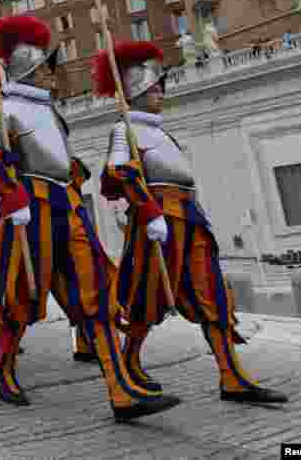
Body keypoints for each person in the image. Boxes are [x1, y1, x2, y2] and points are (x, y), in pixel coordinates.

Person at [0, 15, 179, 421]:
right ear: (30, 70)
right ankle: (3, 369)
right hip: (29, 211)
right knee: (21, 296)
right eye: (49, 68)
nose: (55, 75)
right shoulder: (6, 110)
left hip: (67, 209)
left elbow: (62, 162)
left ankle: (120, 390)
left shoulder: (50, 113)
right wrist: (11, 193)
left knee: (97, 296)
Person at [97, 41, 287, 406]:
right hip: (156, 219)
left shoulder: (162, 131)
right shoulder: (125, 130)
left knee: (213, 293)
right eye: (153, 89)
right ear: (134, 92)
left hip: (190, 218)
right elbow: (116, 172)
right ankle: (129, 360)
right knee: (145, 297)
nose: (159, 94)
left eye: (160, 89)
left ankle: (232, 377)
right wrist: (149, 211)